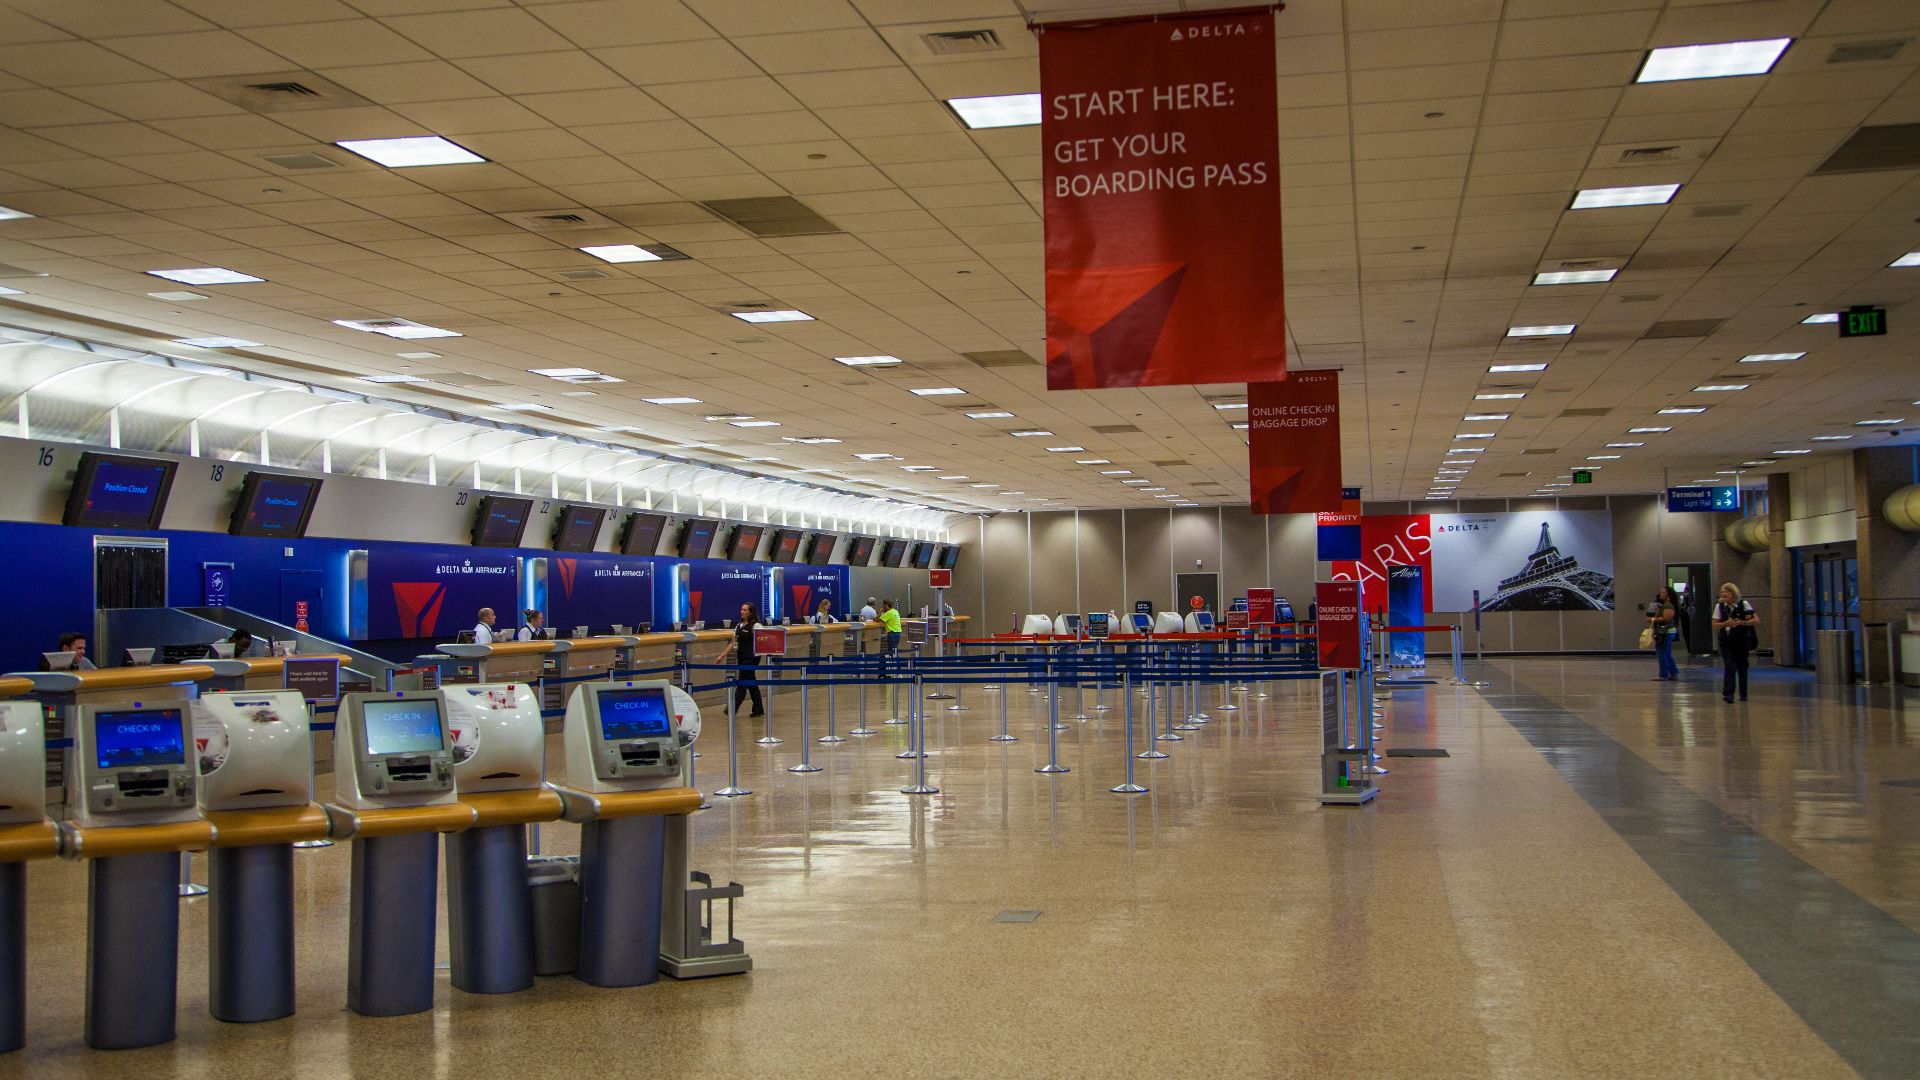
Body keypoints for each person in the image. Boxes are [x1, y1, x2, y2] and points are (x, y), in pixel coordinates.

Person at [1711, 583, 1758, 703]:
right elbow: (1714, 624)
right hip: (1726, 641)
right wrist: (1725, 624)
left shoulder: (1743, 604)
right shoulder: (1720, 607)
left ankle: (1743, 693)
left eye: (1726, 592)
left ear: (1733, 593)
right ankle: (1728, 693)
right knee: (1729, 665)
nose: (1723, 594)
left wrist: (1742, 623)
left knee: (1742, 666)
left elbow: (1755, 620)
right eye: (1722, 592)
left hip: (1741, 640)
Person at [720, 602, 765, 716]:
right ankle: (758, 709)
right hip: (741, 657)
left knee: (742, 682)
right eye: (741, 609)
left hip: (751, 658)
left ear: (751, 612)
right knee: (751, 683)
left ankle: (732, 709)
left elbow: (763, 640)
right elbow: (733, 643)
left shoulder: (756, 626)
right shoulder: (738, 626)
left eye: (745, 610)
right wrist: (722, 655)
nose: (742, 612)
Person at [1647, 587, 1678, 681]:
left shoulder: (1668, 606)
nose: (1661, 593)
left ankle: (1664, 674)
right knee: (1666, 653)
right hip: (1666, 632)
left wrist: (1653, 619)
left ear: (1668, 594)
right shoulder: (1663, 605)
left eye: (1663, 592)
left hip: (1665, 632)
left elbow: (1666, 619)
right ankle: (1673, 673)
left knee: (1662, 653)